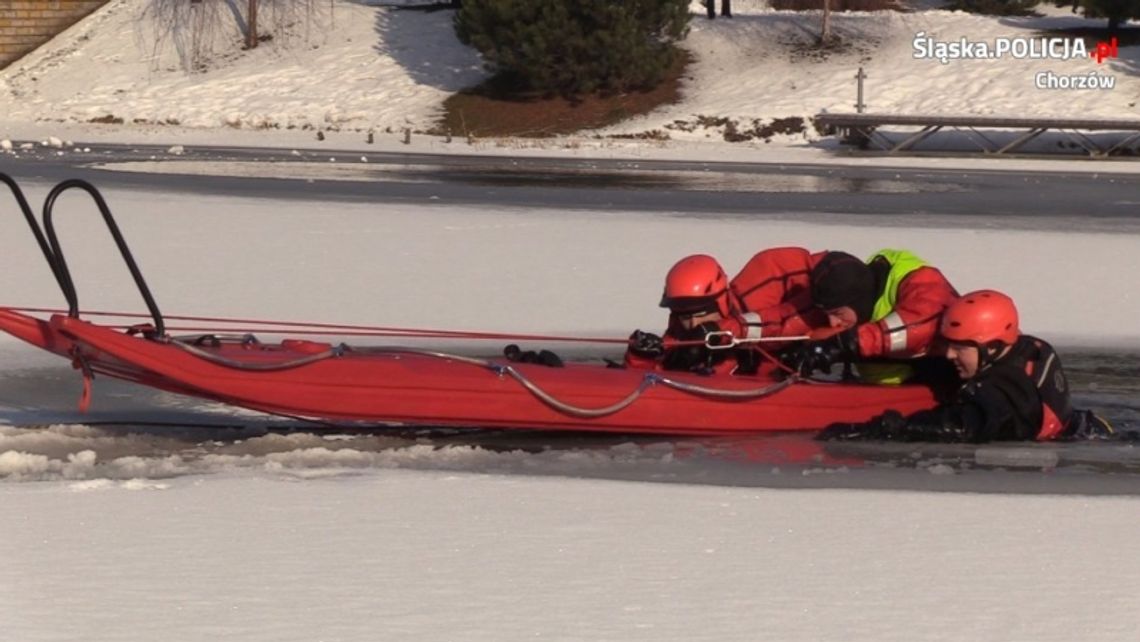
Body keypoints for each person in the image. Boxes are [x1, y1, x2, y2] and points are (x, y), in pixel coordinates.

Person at [817, 290, 1113, 443]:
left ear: (993, 346)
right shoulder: (1020, 348)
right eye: (949, 345)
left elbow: (961, 426)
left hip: (1061, 440)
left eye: (959, 347)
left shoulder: (1006, 393)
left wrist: (886, 428)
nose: (949, 355)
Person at [626, 248, 959, 383]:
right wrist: (719, 332)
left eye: (838, 314)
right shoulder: (842, 302)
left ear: (856, 301)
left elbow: (921, 323)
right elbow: (781, 321)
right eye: (827, 314)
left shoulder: (916, 281)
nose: (831, 321)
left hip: (934, 380)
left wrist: (843, 344)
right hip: (880, 389)